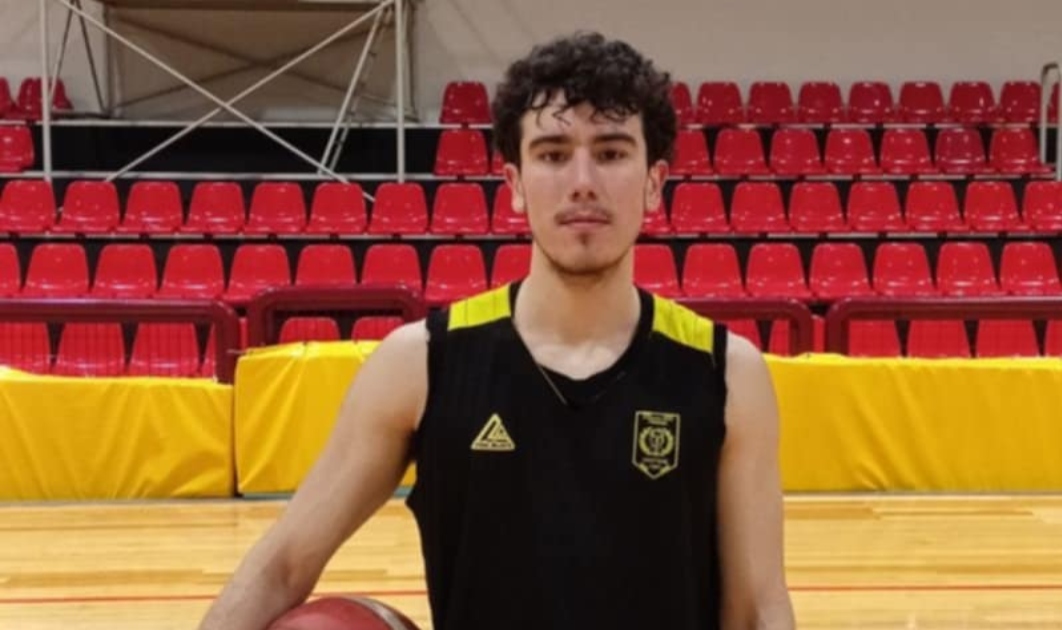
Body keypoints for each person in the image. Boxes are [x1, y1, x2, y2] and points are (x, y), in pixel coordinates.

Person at [197, 31, 794, 630]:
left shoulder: (724, 372)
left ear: (654, 183)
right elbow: (283, 566)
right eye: (553, 154)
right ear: (514, 185)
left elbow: (757, 609)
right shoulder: (421, 364)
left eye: (611, 152)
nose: (582, 181)